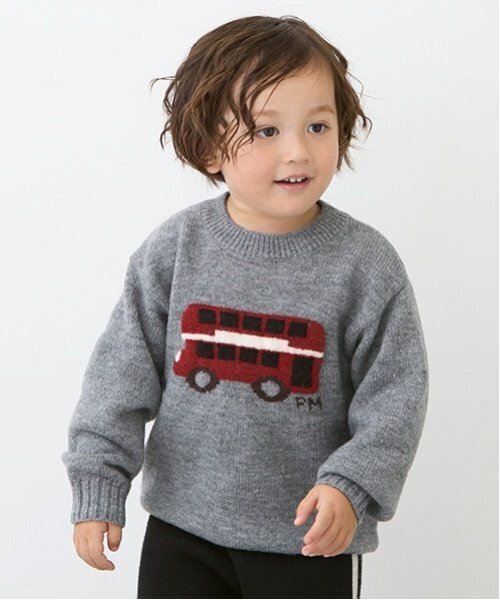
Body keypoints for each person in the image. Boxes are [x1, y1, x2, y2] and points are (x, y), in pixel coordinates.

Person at [61, 14, 429, 600]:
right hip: (181, 529)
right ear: (209, 147)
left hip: (308, 539)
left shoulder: (365, 265)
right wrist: (98, 481)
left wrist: (352, 484)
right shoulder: (175, 249)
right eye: (266, 130)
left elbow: (396, 400)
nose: (297, 151)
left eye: (317, 126)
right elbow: (117, 378)